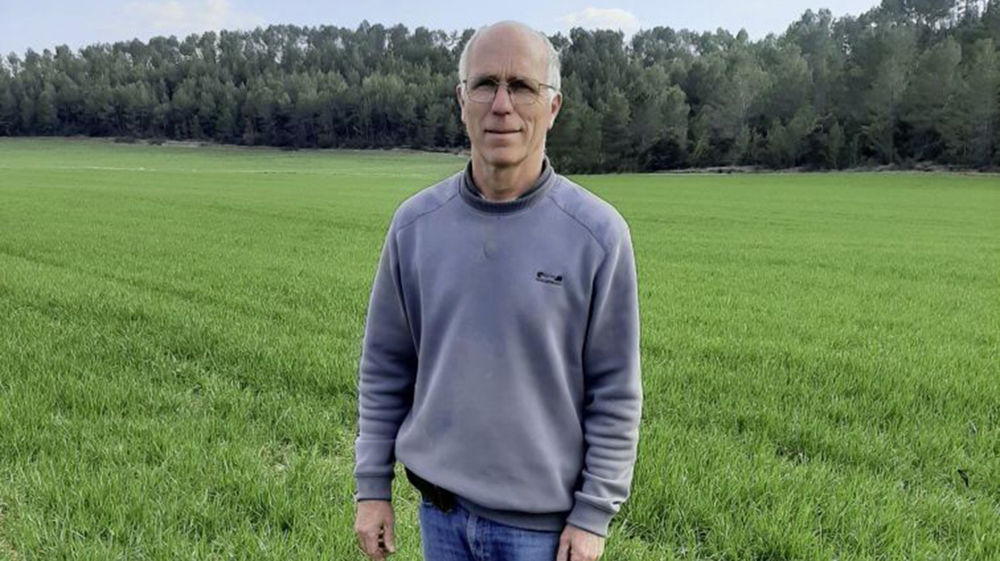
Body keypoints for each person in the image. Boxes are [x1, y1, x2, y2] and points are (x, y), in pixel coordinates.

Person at [353, 20, 642, 561]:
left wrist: (594, 516)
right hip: (440, 517)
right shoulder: (416, 226)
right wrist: (372, 487)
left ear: (552, 107)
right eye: (485, 84)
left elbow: (616, 390)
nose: (502, 105)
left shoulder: (598, 237)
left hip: (543, 535)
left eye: (523, 87)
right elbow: (384, 366)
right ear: (462, 100)